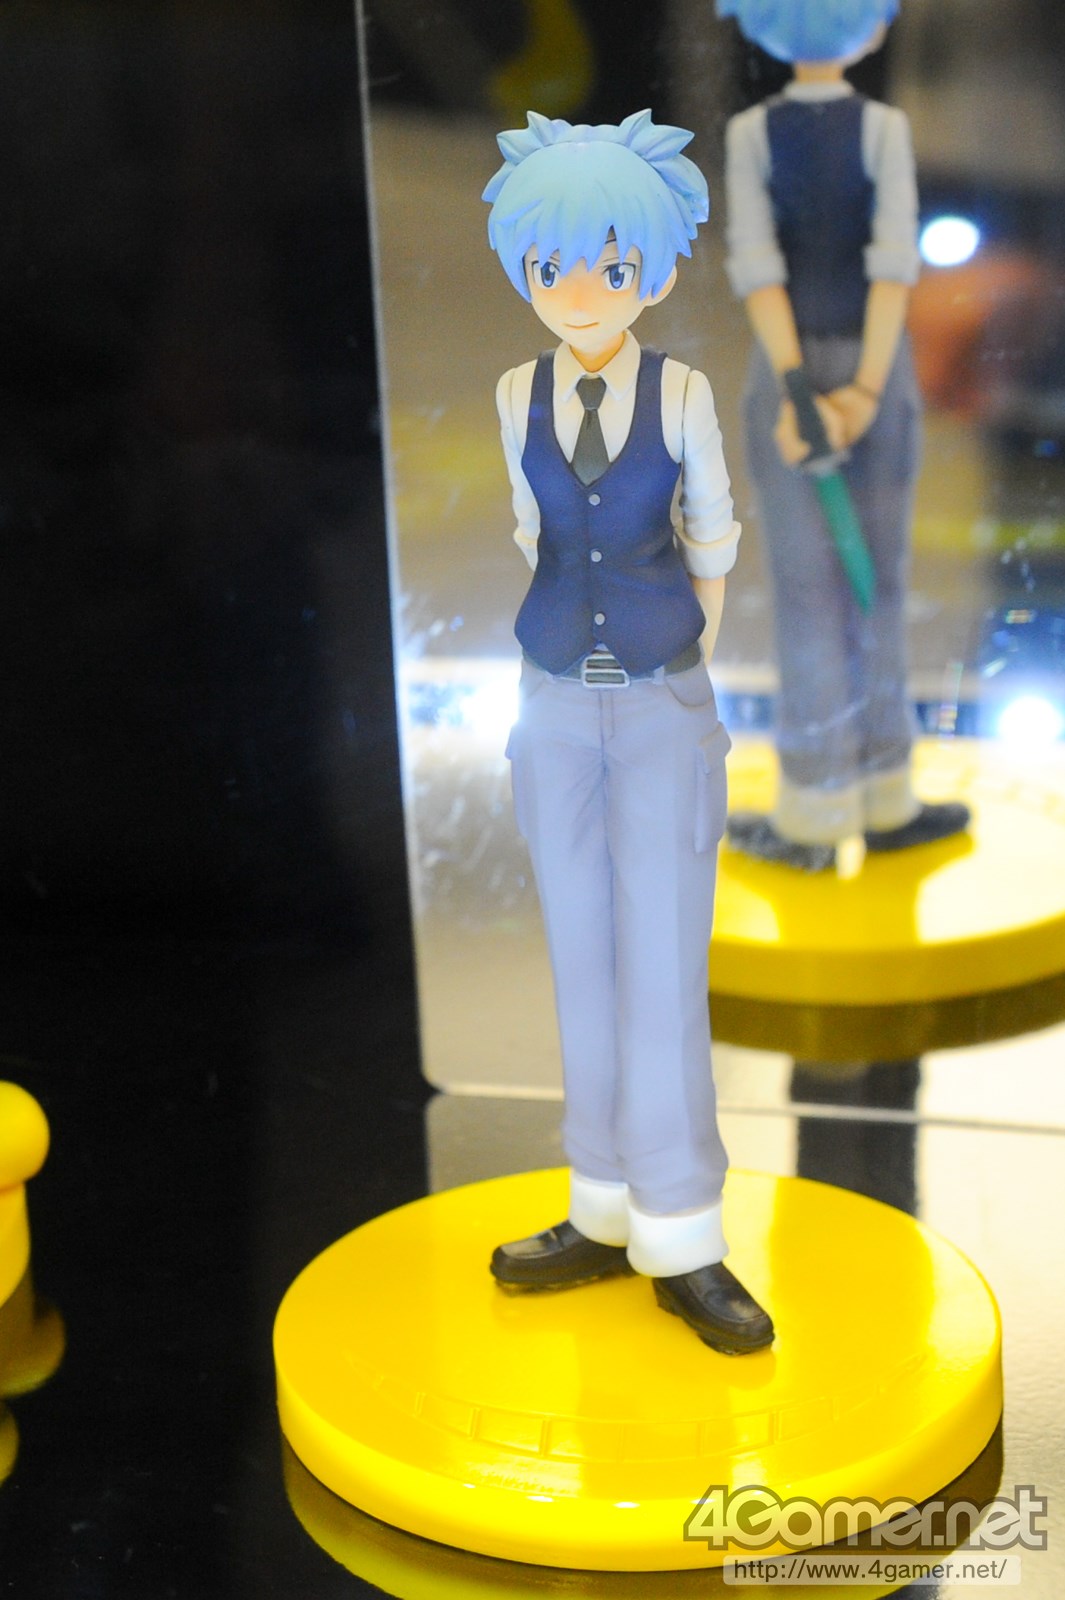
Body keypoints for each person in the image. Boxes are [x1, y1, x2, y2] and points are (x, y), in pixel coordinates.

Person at [482, 109, 772, 1354]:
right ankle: (600, 1202)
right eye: (551, 265)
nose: (580, 291)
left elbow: (713, 538)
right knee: (579, 954)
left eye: (611, 264)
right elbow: (532, 533)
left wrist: (674, 665)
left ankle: (683, 1230)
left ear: (652, 270)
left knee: (663, 965)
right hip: (552, 702)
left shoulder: (683, 392)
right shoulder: (515, 394)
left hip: (658, 704)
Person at [719, 0, 970, 869]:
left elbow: (761, 271)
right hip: (865, 369)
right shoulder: (878, 128)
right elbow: (888, 265)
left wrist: (806, 391)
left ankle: (829, 804)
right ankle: (868, 794)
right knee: (867, 589)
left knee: (825, 593)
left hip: (811, 375)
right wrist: (856, 389)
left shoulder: (754, 132)